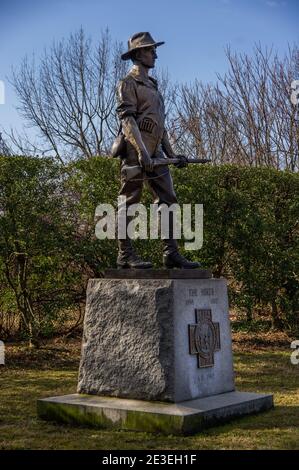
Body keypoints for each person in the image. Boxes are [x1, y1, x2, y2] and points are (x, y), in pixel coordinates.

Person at [115, 32, 200, 269]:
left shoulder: (153, 85)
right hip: (135, 151)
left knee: (168, 198)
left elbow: (159, 125)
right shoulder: (128, 84)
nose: (155, 54)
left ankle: (171, 253)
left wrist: (172, 155)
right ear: (137, 54)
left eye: (154, 50)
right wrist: (142, 152)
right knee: (129, 201)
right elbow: (128, 121)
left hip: (156, 154)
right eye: (150, 50)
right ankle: (125, 254)